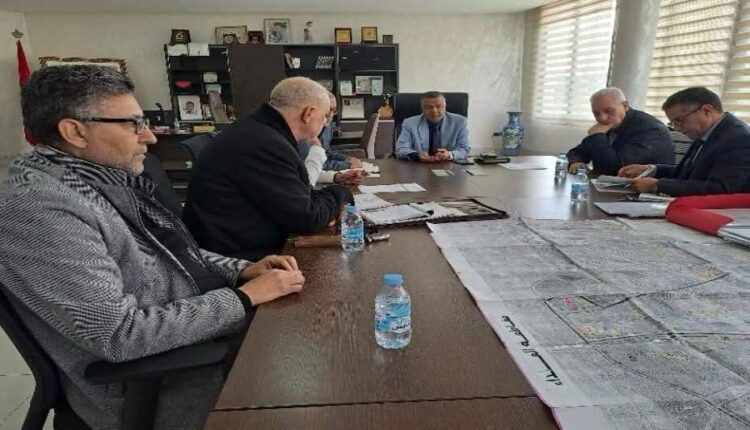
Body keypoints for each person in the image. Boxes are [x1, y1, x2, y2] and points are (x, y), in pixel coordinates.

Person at [0, 65, 305, 430]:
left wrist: (242, 269)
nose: (149, 137)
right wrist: (243, 298)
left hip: (197, 339)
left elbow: (172, 255)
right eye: (133, 124)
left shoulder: (99, 179)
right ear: (75, 131)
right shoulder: (39, 209)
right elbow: (119, 335)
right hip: (163, 382)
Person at [183, 77, 353, 260]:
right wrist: (340, 193)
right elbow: (306, 218)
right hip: (239, 260)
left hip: (235, 241)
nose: (326, 123)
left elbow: (300, 196)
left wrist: (325, 202)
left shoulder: (259, 130)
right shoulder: (267, 144)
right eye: (325, 116)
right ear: (309, 113)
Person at [620, 87, 750, 196]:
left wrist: (657, 185)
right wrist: (652, 169)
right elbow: (688, 173)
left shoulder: (739, 138)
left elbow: (720, 188)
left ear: (707, 111)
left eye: (679, 120)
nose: (677, 129)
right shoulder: (707, 133)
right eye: (673, 123)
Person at [566, 87, 674, 175]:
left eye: (609, 111)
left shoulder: (650, 129)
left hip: (643, 189)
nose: (602, 118)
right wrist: (576, 162)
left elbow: (616, 169)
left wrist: (597, 136)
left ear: (625, 106)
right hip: (609, 186)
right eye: (596, 114)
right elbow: (576, 152)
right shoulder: (610, 125)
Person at [298, 92, 367, 186]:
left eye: (333, 110)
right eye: (327, 109)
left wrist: (338, 175)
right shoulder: (301, 135)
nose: (330, 114)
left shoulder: (327, 127)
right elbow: (308, 171)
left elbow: (326, 154)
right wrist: (347, 165)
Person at [395, 91, 470, 162]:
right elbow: (401, 149)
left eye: (439, 106)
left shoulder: (460, 122)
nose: (434, 111)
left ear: (445, 106)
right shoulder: (410, 123)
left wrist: (449, 154)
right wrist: (417, 155)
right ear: (422, 108)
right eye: (429, 107)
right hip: (418, 166)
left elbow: (464, 149)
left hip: (449, 165)